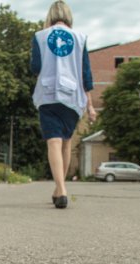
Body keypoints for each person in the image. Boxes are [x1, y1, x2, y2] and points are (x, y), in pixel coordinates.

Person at [31, 1, 96, 209]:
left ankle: (61, 190)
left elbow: (35, 67)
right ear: (69, 16)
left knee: (53, 142)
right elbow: (86, 74)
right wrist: (91, 105)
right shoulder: (80, 38)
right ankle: (61, 188)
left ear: (50, 15)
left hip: (48, 94)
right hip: (72, 96)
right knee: (66, 142)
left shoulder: (40, 37)